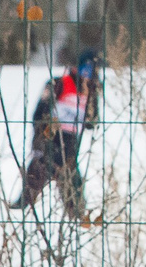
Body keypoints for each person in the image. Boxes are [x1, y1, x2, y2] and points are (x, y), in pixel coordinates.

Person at [7, 49, 96, 215]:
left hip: (70, 146)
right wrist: (40, 140)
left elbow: (92, 122)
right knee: (36, 174)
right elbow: (38, 114)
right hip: (50, 140)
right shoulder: (58, 83)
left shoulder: (91, 91)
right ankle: (18, 212)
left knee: (73, 183)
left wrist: (92, 97)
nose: (88, 74)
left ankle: (76, 217)